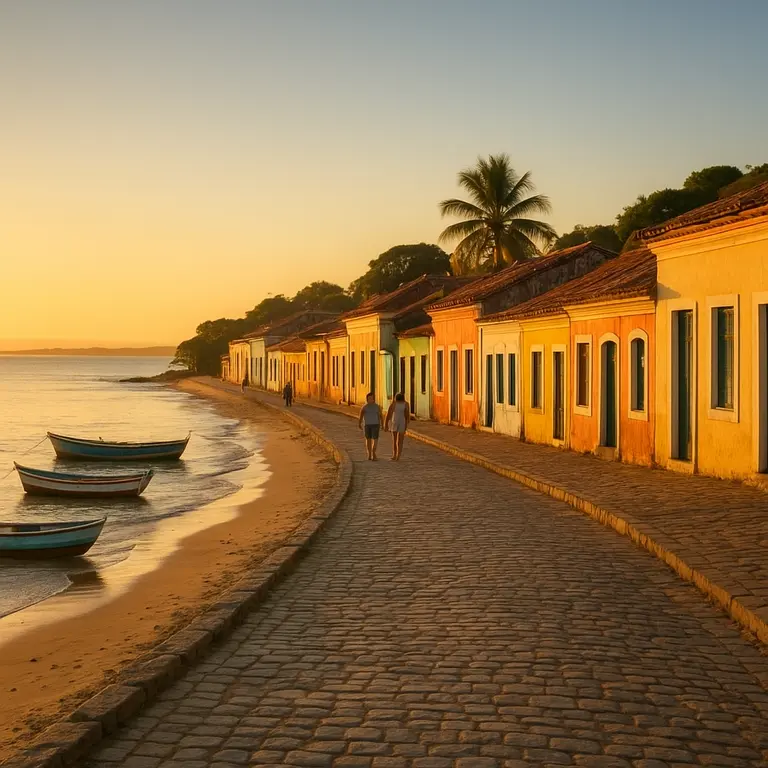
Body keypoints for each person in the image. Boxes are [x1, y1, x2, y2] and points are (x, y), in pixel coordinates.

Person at [357, 392, 383, 461]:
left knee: (375, 439)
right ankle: (369, 454)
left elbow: (380, 416)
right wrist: (359, 423)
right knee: (368, 440)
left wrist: (382, 424)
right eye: (369, 399)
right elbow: (361, 415)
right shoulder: (364, 407)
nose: (370, 400)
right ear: (367, 399)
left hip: (375, 425)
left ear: (374, 399)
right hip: (367, 425)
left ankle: (374, 453)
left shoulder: (377, 407)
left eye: (371, 398)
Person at [385, 392, 410, 461]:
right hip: (402, 422)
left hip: (395, 421)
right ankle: (398, 456)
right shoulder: (406, 404)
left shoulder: (394, 404)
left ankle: (394, 455)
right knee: (400, 441)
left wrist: (386, 424)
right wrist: (407, 423)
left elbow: (388, 414)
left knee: (394, 440)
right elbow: (407, 414)